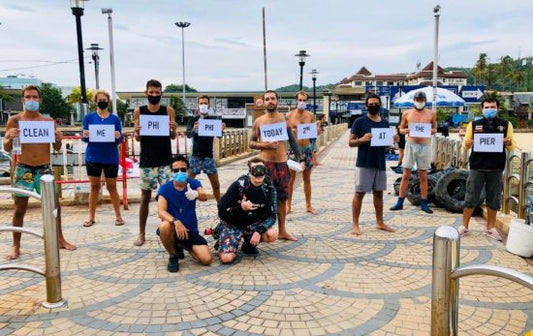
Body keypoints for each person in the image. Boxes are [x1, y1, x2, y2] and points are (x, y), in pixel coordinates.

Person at [2, 85, 76, 260]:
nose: (31, 100)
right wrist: (8, 137)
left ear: (40, 100)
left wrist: (59, 140)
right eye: (28, 97)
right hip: (24, 167)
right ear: (23, 99)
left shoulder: (47, 122)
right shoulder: (15, 120)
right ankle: (16, 245)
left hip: (44, 168)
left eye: (35, 97)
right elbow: (7, 147)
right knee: (20, 208)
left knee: (54, 207)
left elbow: (56, 148)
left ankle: (60, 239)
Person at [250, 90, 305, 242]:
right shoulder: (259, 121)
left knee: (282, 199)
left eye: (272, 98)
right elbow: (251, 143)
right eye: (267, 99)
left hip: (281, 165)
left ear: (277, 101)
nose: (270, 101)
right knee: (261, 198)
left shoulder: (283, 119)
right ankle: (259, 231)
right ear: (263, 102)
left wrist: (301, 158)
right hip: (264, 164)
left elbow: (293, 141)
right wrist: (265, 145)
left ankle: (282, 231)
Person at [459, 97, 515, 241]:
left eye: (492, 107)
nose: (490, 109)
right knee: (471, 196)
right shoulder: (474, 124)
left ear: (498, 108)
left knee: (494, 199)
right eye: (487, 107)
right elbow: (465, 145)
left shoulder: (506, 124)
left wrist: (508, 142)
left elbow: (512, 146)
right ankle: (464, 226)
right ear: (482, 109)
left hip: (496, 167)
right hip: (477, 166)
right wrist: (468, 142)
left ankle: (490, 228)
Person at [133, 79, 178, 246]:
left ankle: (170, 229)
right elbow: (137, 138)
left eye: (156, 92)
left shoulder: (168, 111)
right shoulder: (139, 111)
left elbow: (173, 136)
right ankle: (141, 233)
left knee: (168, 196)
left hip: (165, 160)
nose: (153, 95)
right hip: (147, 160)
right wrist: (136, 132)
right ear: (146, 93)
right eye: (151, 92)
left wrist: (173, 128)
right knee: (145, 198)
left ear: (161, 94)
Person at [156, 155, 212, 272]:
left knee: (206, 259)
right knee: (164, 226)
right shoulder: (165, 188)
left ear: (188, 170)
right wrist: (176, 221)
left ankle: (183, 245)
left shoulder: (194, 183)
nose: (180, 172)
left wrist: (196, 194)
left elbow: (204, 196)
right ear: (172, 172)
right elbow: (161, 211)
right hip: (172, 227)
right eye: (176, 170)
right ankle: (173, 255)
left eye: (183, 169)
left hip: (190, 229)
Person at [349, 94, 396, 235]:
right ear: (366, 106)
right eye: (371, 104)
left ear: (380, 104)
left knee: (379, 193)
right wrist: (362, 139)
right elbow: (351, 142)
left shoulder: (385, 123)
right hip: (364, 162)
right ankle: (355, 225)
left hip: (380, 162)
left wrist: (394, 139)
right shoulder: (359, 122)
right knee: (359, 193)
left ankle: (380, 222)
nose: (374, 106)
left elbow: (387, 145)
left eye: (376, 103)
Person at [217, 158, 278, 263]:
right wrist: (240, 208)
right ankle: (223, 237)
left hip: (252, 224)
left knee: (271, 234)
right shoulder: (238, 186)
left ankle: (248, 245)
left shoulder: (268, 188)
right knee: (226, 258)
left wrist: (259, 231)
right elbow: (221, 211)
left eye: (261, 169)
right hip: (233, 224)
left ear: (265, 171)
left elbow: (272, 216)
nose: (258, 173)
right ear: (249, 171)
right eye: (255, 169)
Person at [81, 89, 125, 227]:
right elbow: (84, 137)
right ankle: (91, 216)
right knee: (94, 187)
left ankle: (118, 216)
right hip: (93, 157)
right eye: (99, 100)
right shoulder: (89, 118)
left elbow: (120, 138)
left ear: (108, 101)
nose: (102, 102)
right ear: (95, 101)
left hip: (110, 157)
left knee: (112, 187)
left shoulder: (114, 119)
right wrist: (85, 135)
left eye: (104, 100)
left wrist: (119, 136)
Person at [390, 91, 437, 214]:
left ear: (425, 100)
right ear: (414, 100)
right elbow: (401, 127)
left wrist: (432, 131)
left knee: (423, 175)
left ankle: (424, 202)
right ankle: (400, 201)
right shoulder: (407, 113)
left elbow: (435, 128)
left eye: (422, 100)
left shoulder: (431, 113)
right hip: (411, 144)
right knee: (406, 174)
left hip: (425, 145)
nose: (420, 102)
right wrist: (404, 131)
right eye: (418, 99)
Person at [186, 95, 226, 203]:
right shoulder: (193, 119)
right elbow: (188, 135)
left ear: (209, 105)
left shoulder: (214, 119)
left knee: (216, 185)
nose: (203, 105)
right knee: (187, 184)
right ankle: (184, 206)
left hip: (208, 156)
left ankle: (220, 207)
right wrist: (194, 129)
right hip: (195, 156)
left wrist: (222, 129)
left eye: (205, 103)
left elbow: (219, 136)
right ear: (198, 105)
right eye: (201, 103)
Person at [286, 91, 318, 215]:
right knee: (291, 179)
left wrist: (314, 150)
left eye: (304, 100)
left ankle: (308, 205)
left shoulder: (310, 115)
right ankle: (288, 205)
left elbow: (313, 134)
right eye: (300, 100)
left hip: (307, 148)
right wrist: (294, 130)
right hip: (294, 149)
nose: (302, 102)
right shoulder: (289, 115)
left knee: (307, 179)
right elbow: (286, 133)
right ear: (296, 100)